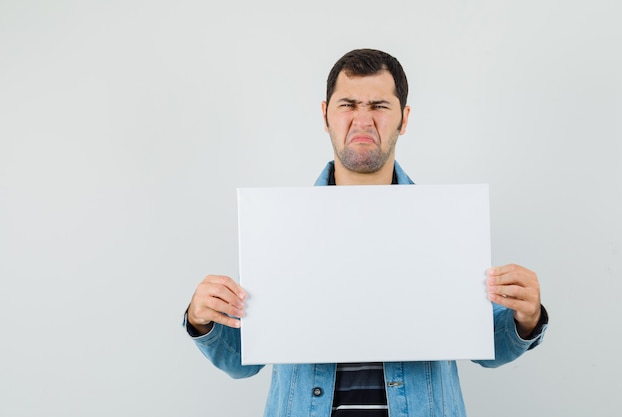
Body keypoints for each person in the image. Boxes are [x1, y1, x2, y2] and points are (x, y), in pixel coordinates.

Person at [183, 48, 549, 417]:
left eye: (378, 106)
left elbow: (488, 349)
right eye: (348, 104)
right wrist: (203, 318)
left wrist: (525, 317)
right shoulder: (281, 226)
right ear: (325, 115)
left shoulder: (445, 223)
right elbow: (242, 361)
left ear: (404, 119)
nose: (362, 120)